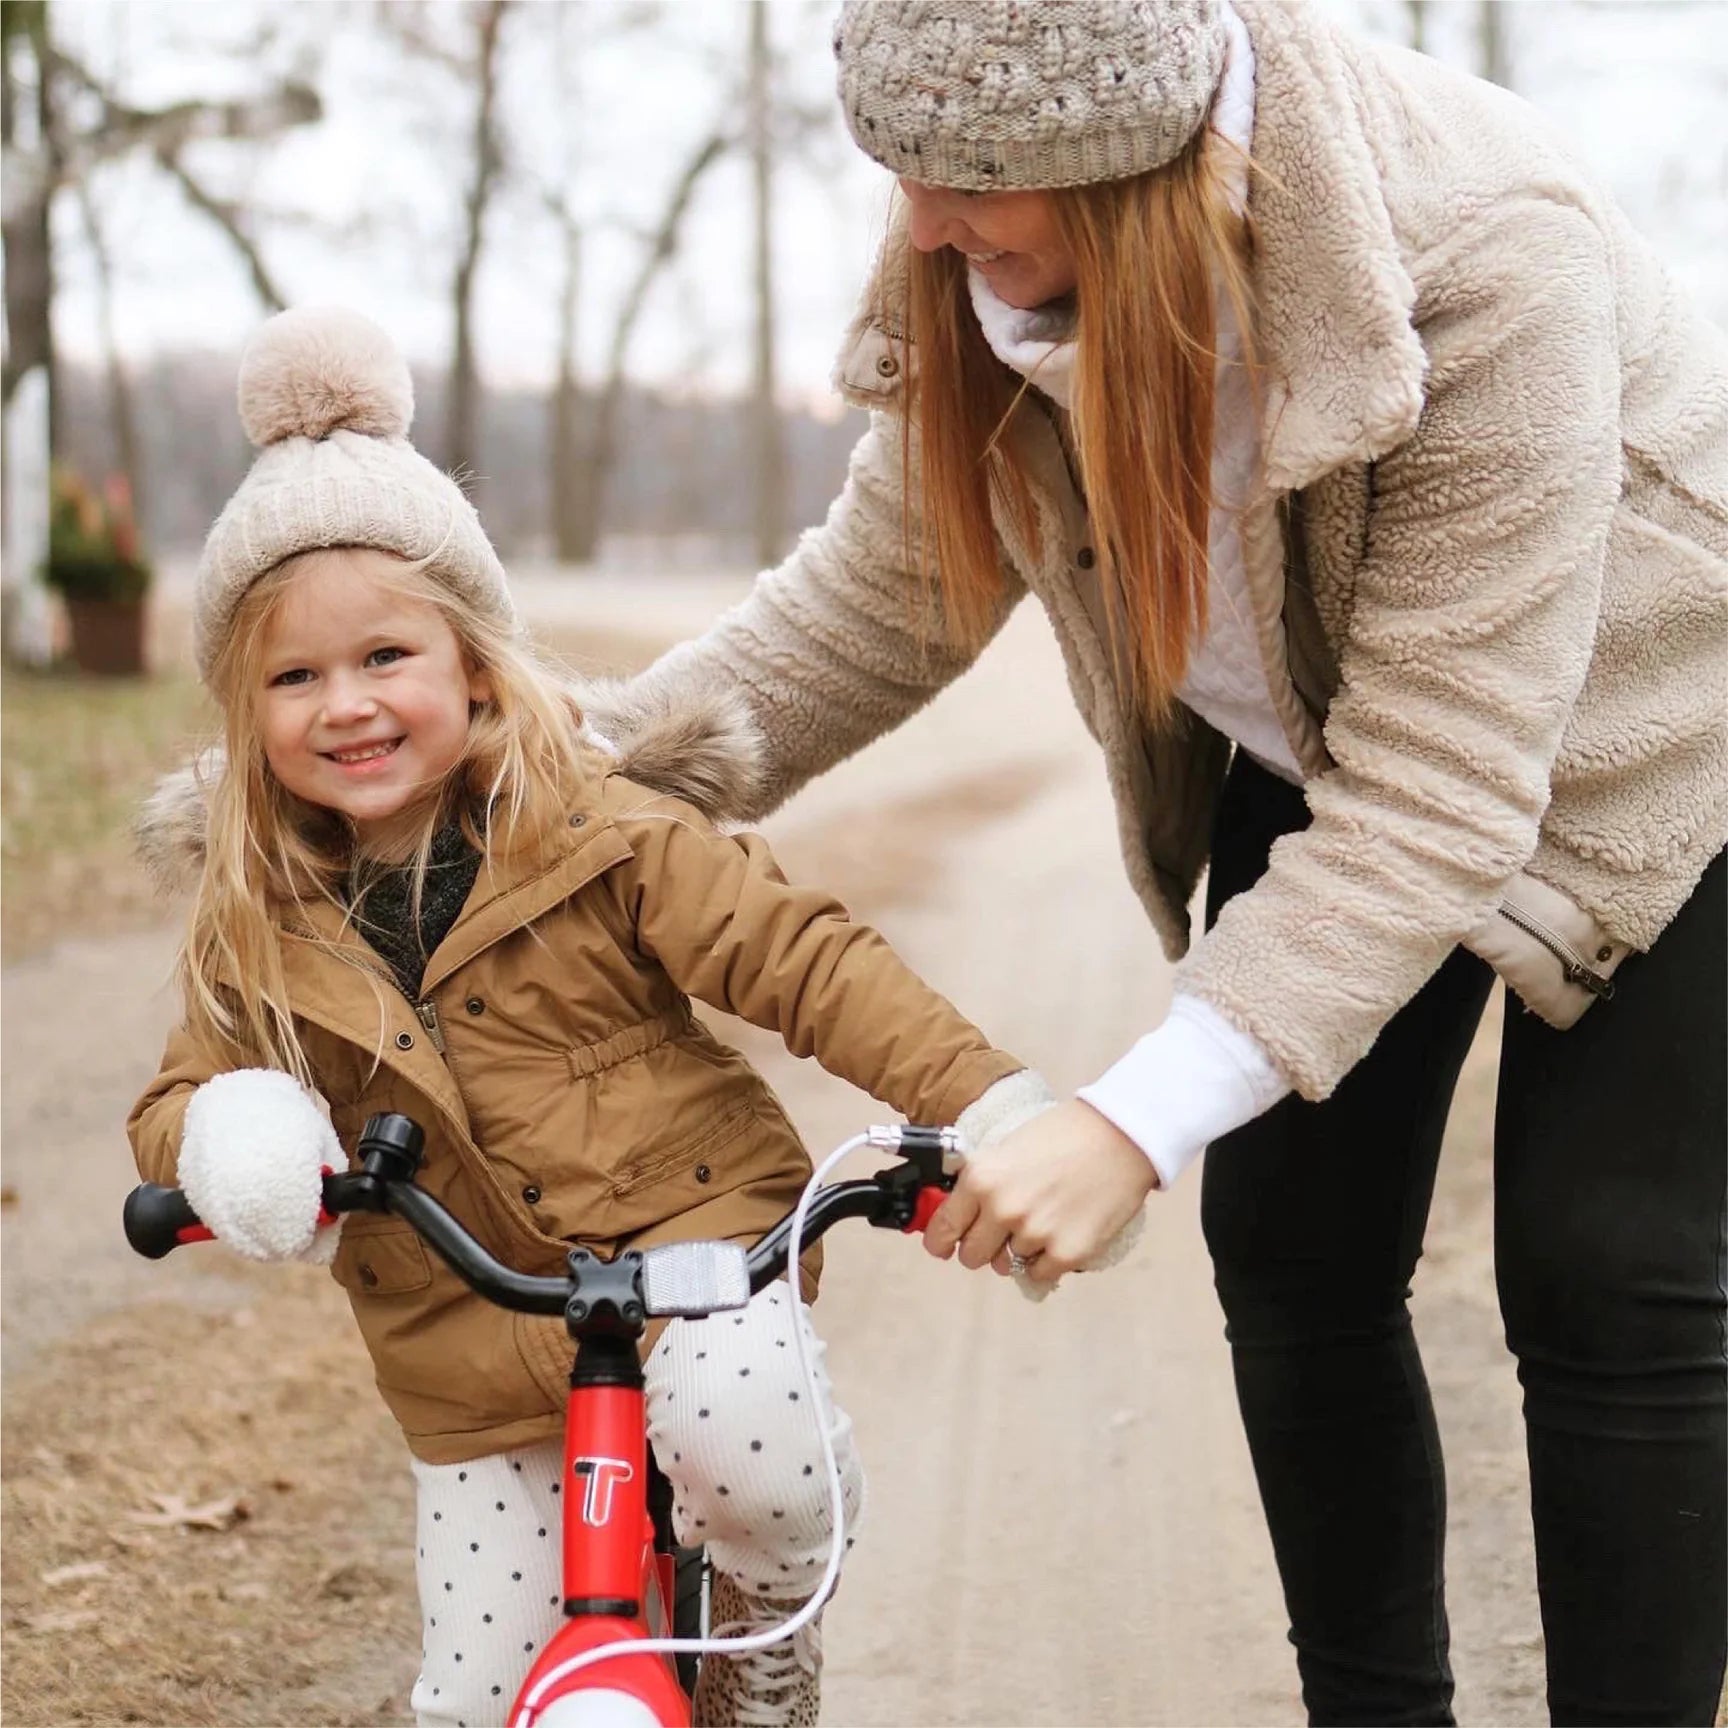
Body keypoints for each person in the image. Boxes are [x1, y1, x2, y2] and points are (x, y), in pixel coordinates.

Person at [590, 1, 1728, 1722]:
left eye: (969, 183)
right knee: (1291, 1243)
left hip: (1651, 735)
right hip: (1339, 734)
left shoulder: (1490, 252)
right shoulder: (992, 266)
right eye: (897, 168)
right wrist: (552, 776)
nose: (917, 223)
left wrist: (1128, 1121)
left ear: (1138, 159)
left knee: (1602, 1261)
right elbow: (880, 598)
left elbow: (1441, 794)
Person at [126, 304, 1055, 1728]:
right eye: (294, 678)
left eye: (387, 657)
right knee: (483, 1692)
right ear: (244, 713)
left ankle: (767, 1617)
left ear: (477, 664)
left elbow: (802, 959)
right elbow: (176, 1099)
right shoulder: (258, 915)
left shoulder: (601, 829)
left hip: (691, 1262)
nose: (347, 706)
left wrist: (981, 1102)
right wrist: (230, 1132)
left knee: (754, 1457)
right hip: (471, 1346)